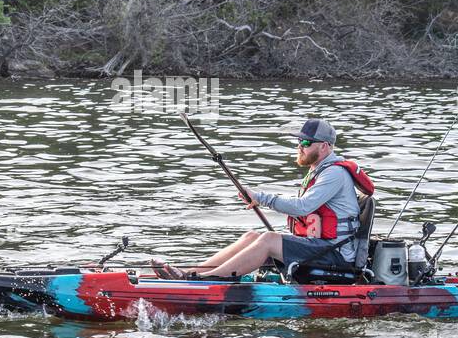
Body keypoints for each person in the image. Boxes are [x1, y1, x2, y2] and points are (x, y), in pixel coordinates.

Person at [151, 118, 374, 279]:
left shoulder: (334, 173)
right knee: (251, 236)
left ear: (324, 147)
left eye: (306, 143)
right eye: (298, 142)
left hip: (335, 255)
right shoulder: (319, 171)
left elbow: (303, 207)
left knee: (268, 240)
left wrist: (261, 197)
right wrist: (260, 199)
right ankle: (190, 274)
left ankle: (206, 280)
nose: (299, 147)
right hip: (321, 247)